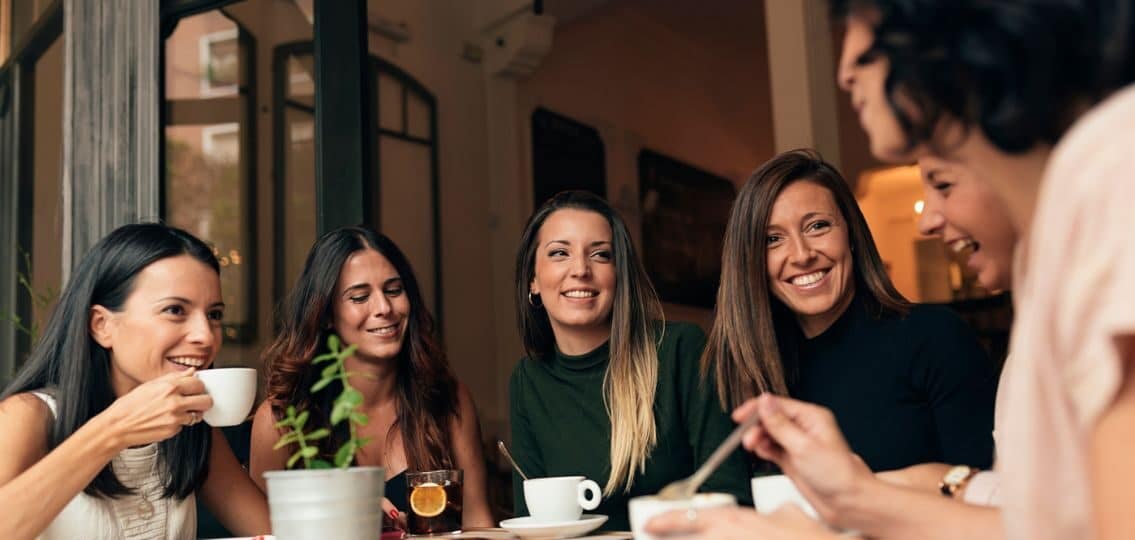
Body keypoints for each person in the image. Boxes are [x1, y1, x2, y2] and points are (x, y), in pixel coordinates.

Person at [651, 0, 1135, 538]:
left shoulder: (1108, 170)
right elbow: (1042, 523)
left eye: (859, 24)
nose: (844, 67)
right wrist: (858, 497)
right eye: (771, 240)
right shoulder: (1057, 244)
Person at [703, 148, 996, 474]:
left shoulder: (935, 337)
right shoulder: (742, 372)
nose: (801, 255)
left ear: (851, 235)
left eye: (817, 226)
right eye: (773, 239)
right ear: (751, 261)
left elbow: (987, 494)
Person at [0, 223, 269, 539]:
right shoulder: (28, 415)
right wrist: (114, 429)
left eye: (214, 315)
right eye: (175, 310)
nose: (205, 335)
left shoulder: (193, 430)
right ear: (102, 325)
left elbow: (274, 532)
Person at [509, 190, 751, 531]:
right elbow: (532, 523)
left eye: (600, 255)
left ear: (619, 274)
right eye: (560, 253)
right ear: (532, 280)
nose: (580, 269)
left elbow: (730, 493)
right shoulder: (527, 381)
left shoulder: (681, 349)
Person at [249, 226, 494, 530]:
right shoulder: (280, 420)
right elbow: (262, 534)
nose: (384, 308)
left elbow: (480, 525)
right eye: (360, 296)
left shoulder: (448, 400)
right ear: (325, 315)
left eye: (393, 290)